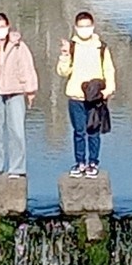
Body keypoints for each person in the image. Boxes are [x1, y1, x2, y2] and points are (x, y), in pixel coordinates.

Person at [0, 12, 38, 179]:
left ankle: (17, 169)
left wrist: (30, 90)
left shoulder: (18, 45)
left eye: (3, 26)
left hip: (15, 91)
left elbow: (27, 67)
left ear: (8, 26)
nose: (0, 30)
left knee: (17, 131)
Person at [56, 12, 115, 179]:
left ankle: (93, 163)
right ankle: (80, 162)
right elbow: (63, 71)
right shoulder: (72, 46)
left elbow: (109, 70)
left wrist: (108, 90)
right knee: (79, 132)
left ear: (93, 26)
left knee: (94, 131)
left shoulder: (101, 47)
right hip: (76, 97)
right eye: (81, 26)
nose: (85, 29)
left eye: (87, 26)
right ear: (76, 27)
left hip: (96, 97)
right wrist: (65, 55)